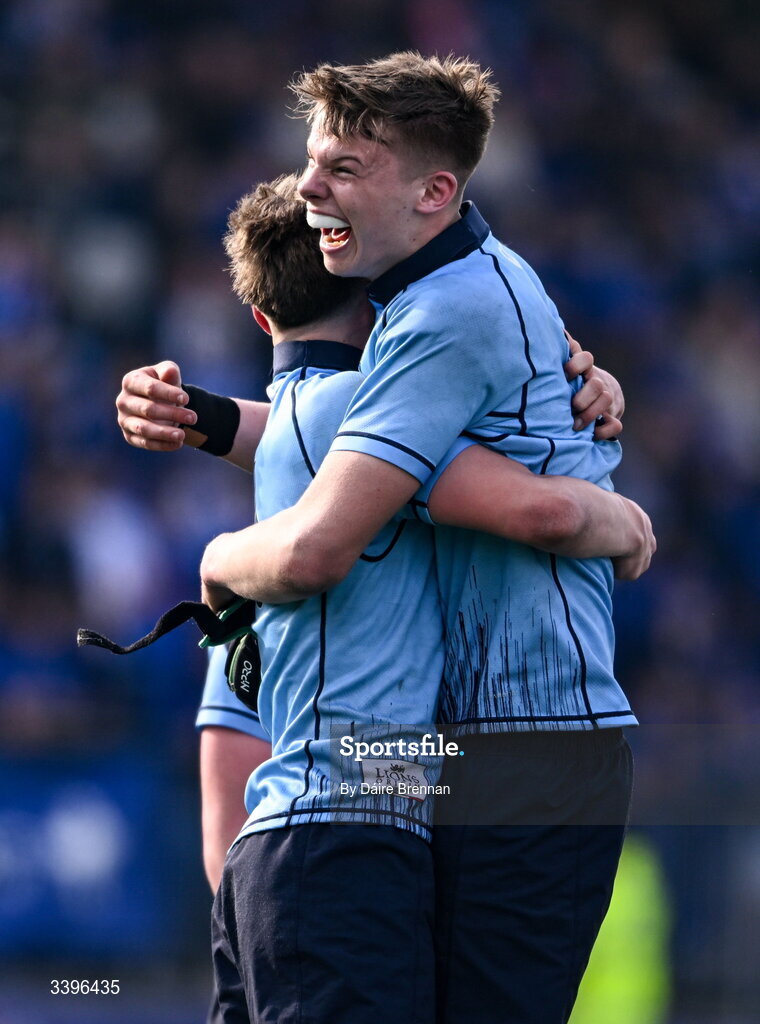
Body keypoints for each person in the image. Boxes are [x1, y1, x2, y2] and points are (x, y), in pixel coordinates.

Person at [117, 165, 651, 1022]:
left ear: (262, 317)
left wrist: (203, 417)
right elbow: (543, 508)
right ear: (386, 311)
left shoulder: (315, 452)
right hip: (327, 856)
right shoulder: (368, 443)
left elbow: (228, 757)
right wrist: (624, 519)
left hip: (303, 860)